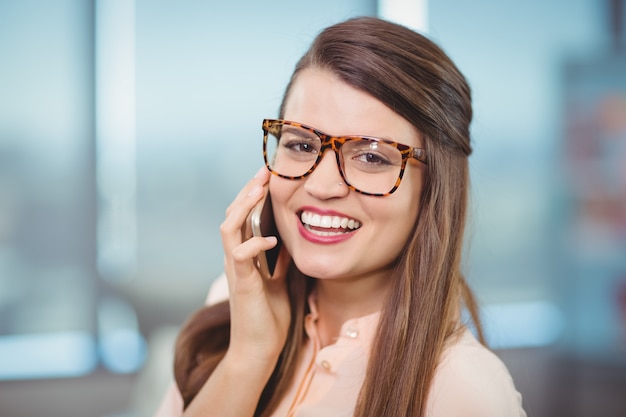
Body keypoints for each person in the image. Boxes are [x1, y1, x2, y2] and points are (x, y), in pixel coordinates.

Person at [154, 16, 527, 417]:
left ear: (434, 188)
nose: (322, 184)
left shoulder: (462, 391)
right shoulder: (233, 309)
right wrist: (249, 355)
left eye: (371, 156)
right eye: (300, 145)